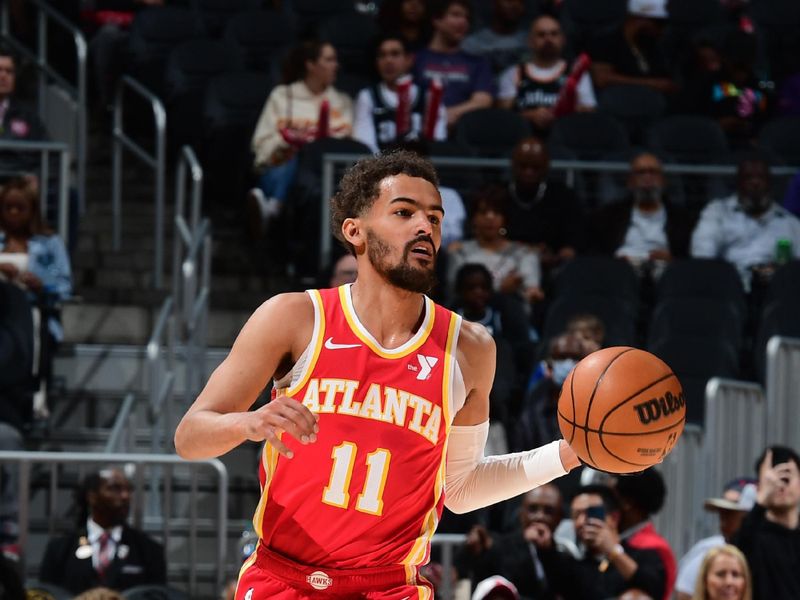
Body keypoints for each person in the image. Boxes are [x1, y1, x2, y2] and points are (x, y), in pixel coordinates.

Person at [174, 150, 580, 598]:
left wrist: (570, 452)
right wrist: (248, 422)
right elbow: (190, 436)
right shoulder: (294, 317)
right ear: (355, 231)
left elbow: (459, 488)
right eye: (404, 212)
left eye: (434, 218)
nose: (424, 227)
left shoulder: (470, 347)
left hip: (390, 587)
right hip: (284, 578)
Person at [248, 40, 353, 234]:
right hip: (283, 168)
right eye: (329, 59)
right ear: (311, 65)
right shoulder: (283, 96)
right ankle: (274, 206)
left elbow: (351, 146)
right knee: (294, 158)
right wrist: (287, 140)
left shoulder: (343, 102)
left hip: (326, 177)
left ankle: (272, 209)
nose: (336, 65)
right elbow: (260, 145)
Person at [39, 468, 167, 594]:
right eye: (115, 488)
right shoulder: (60, 548)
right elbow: (47, 594)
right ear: (92, 497)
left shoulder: (149, 550)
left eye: (128, 490)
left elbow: (157, 595)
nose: (125, 496)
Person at [538, 484, 668, 600]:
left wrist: (614, 551)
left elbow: (656, 589)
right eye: (576, 515)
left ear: (614, 518)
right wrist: (545, 546)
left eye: (591, 513)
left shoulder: (643, 554)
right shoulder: (574, 566)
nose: (581, 522)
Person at [690, 156, 800, 291]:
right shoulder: (717, 212)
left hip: (776, 293)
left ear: (770, 182)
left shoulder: (790, 222)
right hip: (727, 291)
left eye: (761, 177)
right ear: (738, 182)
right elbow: (702, 257)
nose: (755, 182)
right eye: (748, 177)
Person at [587, 152, 696, 279]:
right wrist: (614, 263)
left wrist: (673, 262)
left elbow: (692, 259)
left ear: (663, 181)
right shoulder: (608, 216)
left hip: (666, 277)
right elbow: (593, 254)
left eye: (653, 172)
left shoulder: (682, 219)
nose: (647, 178)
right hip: (618, 277)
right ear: (630, 182)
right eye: (641, 172)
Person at [456, 483, 565, 598]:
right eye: (533, 509)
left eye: (548, 511)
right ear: (521, 513)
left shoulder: (565, 559)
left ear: (559, 518)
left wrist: (548, 551)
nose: (539, 516)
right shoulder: (496, 545)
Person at [446, 183, 544, 310]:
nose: (490, 217)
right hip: (468, 321)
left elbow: (531, 294)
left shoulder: (524, 254)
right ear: (473, 218)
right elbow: (455, 294)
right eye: (483, 212)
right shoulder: (459, 253)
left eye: (496, 212)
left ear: (505, 218)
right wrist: (500, 289)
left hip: (513, 323)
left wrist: (533, 294)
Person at [497, 16, 596, 135]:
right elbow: (504, 116)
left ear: (563, 39)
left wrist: (561, 113)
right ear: (530, 41)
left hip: (567, 138)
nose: (548, 39)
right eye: (541, 34)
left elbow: (589, 111)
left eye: (554, 34)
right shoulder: (513, 73)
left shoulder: (577, 72)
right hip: (523, 138)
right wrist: (530, 115)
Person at [353, 34, 447, 154]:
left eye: (395, 54)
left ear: (409, 59)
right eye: (382, 55)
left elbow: (438, 140)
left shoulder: (428, 96)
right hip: (381, 168)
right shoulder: (367, 97)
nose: (388, 60)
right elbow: (365, 144)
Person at [505, 138, 584, 274]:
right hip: (505, 262)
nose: (528, 172)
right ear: (513, 166)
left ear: (546, 167)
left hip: (553, 266)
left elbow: (574, 240)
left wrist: (559, 256)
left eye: (535, 167)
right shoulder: (499, 195)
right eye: (523, 166)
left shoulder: (564, 196)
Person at [413, 0, 494, 128]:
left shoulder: (477, 62)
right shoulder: (415, 59)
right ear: (436, 20)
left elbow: (482, 101)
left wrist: (441, 116)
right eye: (456, 15)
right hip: (420, 131)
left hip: (463, 132)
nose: (463, 22)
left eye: (466, 18)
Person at [734, 445, 800, 600]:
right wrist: (762, 498)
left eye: (786, 478)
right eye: (772, 480)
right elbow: (737, 556)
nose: (780, 486)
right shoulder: (753, 534)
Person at [675, 478, 757, 600]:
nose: (729, 582)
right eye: (720, 574)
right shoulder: (709, 550)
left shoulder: (767, 554)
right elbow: (684, 592)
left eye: (731, 513)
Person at [588, 0, 675, 95]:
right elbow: (602, 78)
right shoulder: (606, 40)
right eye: (658, 24)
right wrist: (651, 83)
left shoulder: (652, 46)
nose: (660, 31)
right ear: (637, 18)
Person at [613, 469, 677, 600]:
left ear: (627, 502)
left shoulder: (655, 547)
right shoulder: (620, 539)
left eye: (612, 498)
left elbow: (655, 590)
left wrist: (612, 551)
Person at [0, 45, 50, 178]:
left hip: (19, 182)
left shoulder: (28, 116)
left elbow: (50, 155)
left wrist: (37, 179)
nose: (4, 76)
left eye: (9, 71)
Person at [462, 0, 528, 76]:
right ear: (494, 3)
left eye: (520, 2)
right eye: (509, 1)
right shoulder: (471, 43)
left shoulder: (531, 41)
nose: (514, 5)